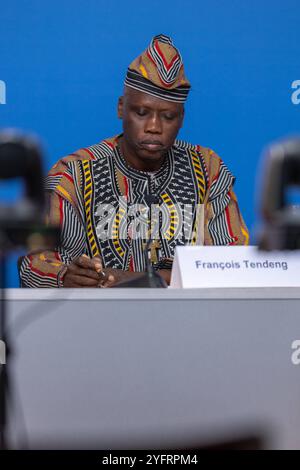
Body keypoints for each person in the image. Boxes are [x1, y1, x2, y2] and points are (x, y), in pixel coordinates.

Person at [19, 34, 249, 288]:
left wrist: (128, 279)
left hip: (191, 321)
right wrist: (64, 276)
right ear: (121, 108)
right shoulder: (74, 173)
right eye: (141, 112)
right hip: (99, 322)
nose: (153, 127)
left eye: (168, 116)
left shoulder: (208, 169)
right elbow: (33, 264)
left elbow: (234, 264)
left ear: (181, 118)